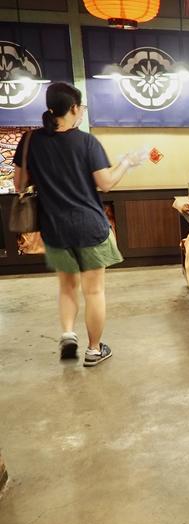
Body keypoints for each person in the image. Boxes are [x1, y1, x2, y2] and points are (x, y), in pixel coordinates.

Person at [13, 82, 145, 367]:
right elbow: (105, 183)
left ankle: (68, 334)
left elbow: (19, 183)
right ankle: (94, 350)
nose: (82, 111)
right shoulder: (86, 142)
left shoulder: (30, 141)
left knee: (67, 287)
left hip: (54, 228)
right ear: (73, 108)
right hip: (89, 227)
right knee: (94, 291)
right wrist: (126, 163)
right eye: (81, 107)